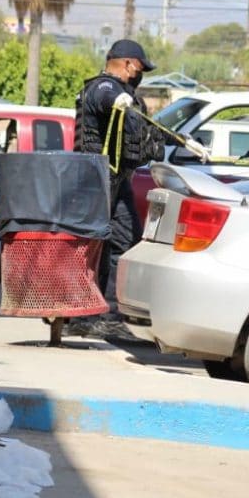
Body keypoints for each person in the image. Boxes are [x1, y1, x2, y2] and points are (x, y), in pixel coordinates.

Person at [70, 39, 165, 335]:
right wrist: (117, 101)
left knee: (125, 242)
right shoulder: (104, 87)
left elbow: (150, 131)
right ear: (127, 64)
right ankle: (81, 318)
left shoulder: (130, 97)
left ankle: (107, 312)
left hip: (119, 180)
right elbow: (104, 96)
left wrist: (185, 144)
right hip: (96, 179)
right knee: (93, 247)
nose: (141, 75)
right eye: (140, 68)